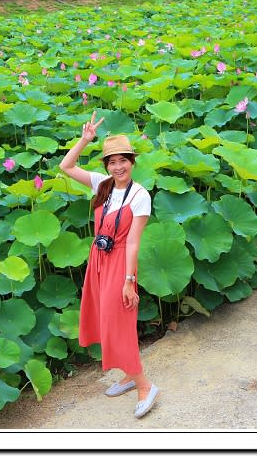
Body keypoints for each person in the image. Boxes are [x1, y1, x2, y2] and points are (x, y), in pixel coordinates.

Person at [58, 112, 160, 419]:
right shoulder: (102, 185)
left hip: (120, 263)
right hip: (99, 259)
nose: (118, 167)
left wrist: (129, 280)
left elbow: (132, 242)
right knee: (106, 319)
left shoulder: (140, 196)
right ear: (106, 165)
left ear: (132, 161)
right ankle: (128, 377)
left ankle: (144, 385)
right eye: (112, 162)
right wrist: (85, 139)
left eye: (123, 161)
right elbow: (66, 166)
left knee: (119, 323)